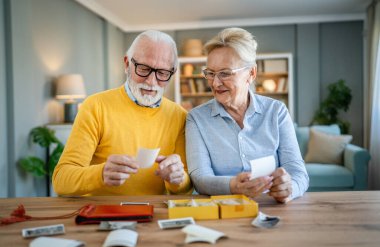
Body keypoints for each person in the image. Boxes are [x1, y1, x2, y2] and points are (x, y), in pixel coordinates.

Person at [53, 30, 192, 196]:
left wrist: (178, 179)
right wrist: (100, 174)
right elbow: (61, 180)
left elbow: (185, 187)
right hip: (100, 214)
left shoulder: (179, 116)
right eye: (143, 68)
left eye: (162, 73)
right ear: (127, 64)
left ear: (172, 73)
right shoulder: (95, 106)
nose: (151, 81)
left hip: (152, 214)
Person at [186, 27, 309, 203]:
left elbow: (297, 172)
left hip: (272, 208)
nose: (215, 82)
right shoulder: (196, 119)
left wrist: (290, 188)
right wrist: (233, 186)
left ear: (251, 73)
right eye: (210, 73)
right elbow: (200, 178)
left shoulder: (276, 112)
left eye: (225, 73)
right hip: (221, 210)